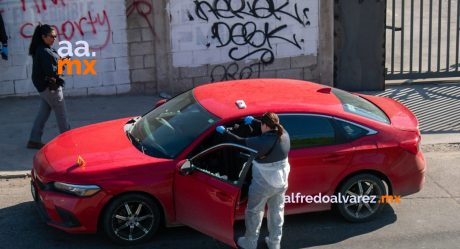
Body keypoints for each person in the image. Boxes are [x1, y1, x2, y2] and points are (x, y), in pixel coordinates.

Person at [216, 112, 290, 249]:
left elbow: (238, 141)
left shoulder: (261, 142)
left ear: (265, 125)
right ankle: (274, 243)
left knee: (254, 212)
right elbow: (270, 127)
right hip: (282, 182)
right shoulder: (284, 134)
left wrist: (225, 131)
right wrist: (255, 122)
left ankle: (250, 242)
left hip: (263, 184)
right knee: (277, 211)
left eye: (261, 124)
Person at [27, 24, 70, 149]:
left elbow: (53, 65)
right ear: (43, 37)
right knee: (62, 115)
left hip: (43, 88)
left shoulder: (43, 48)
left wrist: (61, 62)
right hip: (51, 88)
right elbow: (52, 72)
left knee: (43, 112)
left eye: (55, 36)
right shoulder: (44, 51)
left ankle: (34, 139)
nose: (54, 39)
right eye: (51, 36)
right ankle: (68, 142)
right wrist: (63, 65)